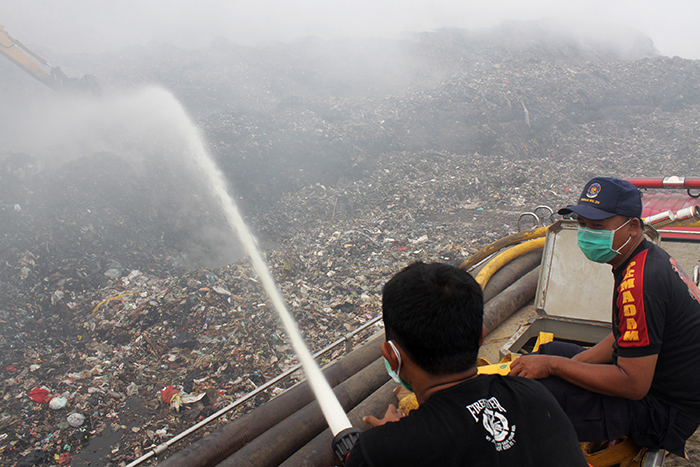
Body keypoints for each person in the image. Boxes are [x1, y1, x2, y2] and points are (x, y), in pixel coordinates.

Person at [510, 177, 700, 459]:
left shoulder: (639, 284)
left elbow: (633, 385)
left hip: (664, 411)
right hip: (659, 379)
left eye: (598, 227)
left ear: (633, 227)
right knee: (552, 351)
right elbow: (627, 333)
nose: (587, 234)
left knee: (537, 399)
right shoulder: (646, 256)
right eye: (583, 225)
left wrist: (556, 368)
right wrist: (566, 364)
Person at [345, 262, 587, 466]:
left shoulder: (380, 452)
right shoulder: (535, 394)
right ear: (481, 336)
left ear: (392, 356)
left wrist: (392, 439)